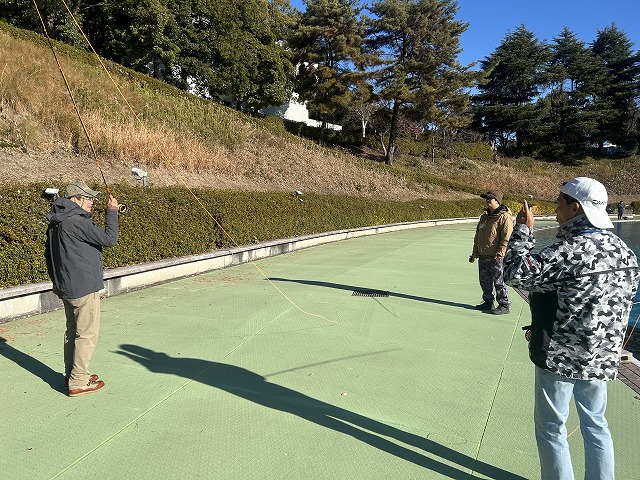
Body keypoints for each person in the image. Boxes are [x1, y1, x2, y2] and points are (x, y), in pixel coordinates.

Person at [503, 177, 638, 480]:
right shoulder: (624, 251)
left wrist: (523, 229)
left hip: (561, 355)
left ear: (575, 207)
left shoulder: (568, 251)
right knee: (596, 423)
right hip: (602, 354)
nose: (555, 208)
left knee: (552, 427)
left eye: (558, 202)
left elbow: (514, 273)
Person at [45, 181, 120, 396]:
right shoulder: (77, 222)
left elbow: (49, 255)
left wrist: (55, 281)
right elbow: (110, 239)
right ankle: (78, 381)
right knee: (86, 334)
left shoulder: (57, 222)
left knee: (72, 332)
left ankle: (72, 374)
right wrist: (112, 212)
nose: (91, 202)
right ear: (74, 200)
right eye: (87, 198)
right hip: (84, 286)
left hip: (67, 286)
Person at [469, 190, 513, 314]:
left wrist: (500, 253)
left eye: (490, 198)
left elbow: (506, 237)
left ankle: (504, 305)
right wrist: (475, 253)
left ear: (497, 200)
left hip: (496, 256)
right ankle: (488, 302)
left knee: (499, 282)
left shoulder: (504, 217)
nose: (487, 201)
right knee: (484, 281)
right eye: (486, 198)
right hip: (483, 255)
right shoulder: (484, 217)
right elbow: (478, 236)